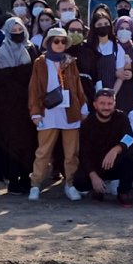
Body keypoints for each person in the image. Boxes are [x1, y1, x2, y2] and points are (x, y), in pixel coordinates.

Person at [26, 28, 89, 201]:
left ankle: (70, 184)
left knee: (71, 152)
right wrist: (35, 112)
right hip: (48, 111)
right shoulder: (40, 62)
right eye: (56, 41)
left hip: (70, 111)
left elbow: (78, 86)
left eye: (63, 41)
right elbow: (34, 88)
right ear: (49, 42)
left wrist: (83, 106)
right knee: (43, 151)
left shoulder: (70, 62)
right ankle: (35, 184)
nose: (60, 44)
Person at [0, 17, 39, 195]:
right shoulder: (2, 51)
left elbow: (34, 74)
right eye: (13, 31)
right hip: (8, 107)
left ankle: (26, 179)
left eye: (20, 30)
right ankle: (14, 181)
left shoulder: (31, 49)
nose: (17, 34)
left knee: (29, 143)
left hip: (28, 104)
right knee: (12, 143)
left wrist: (12, 74)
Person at [73, 89, 133, 206]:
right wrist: (93, 176)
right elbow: (84, 153)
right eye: (102, 103)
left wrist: (116, 149)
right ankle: (98, 189)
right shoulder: (87, 123)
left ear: (114, 104)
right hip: (97, 165)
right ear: (95, 105)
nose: (106, 107)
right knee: (79, 182)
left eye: (110, 103)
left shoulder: (122, 117)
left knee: (132, 155)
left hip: (115, 163)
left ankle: (123, 192)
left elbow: (130, 138)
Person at [112, 16, 133, 113]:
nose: (124, 31)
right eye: (121, 28)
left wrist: (132, 74)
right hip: (114, 90)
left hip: (131, 92)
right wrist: (117, 73)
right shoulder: (111, 47)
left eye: (127, 29)